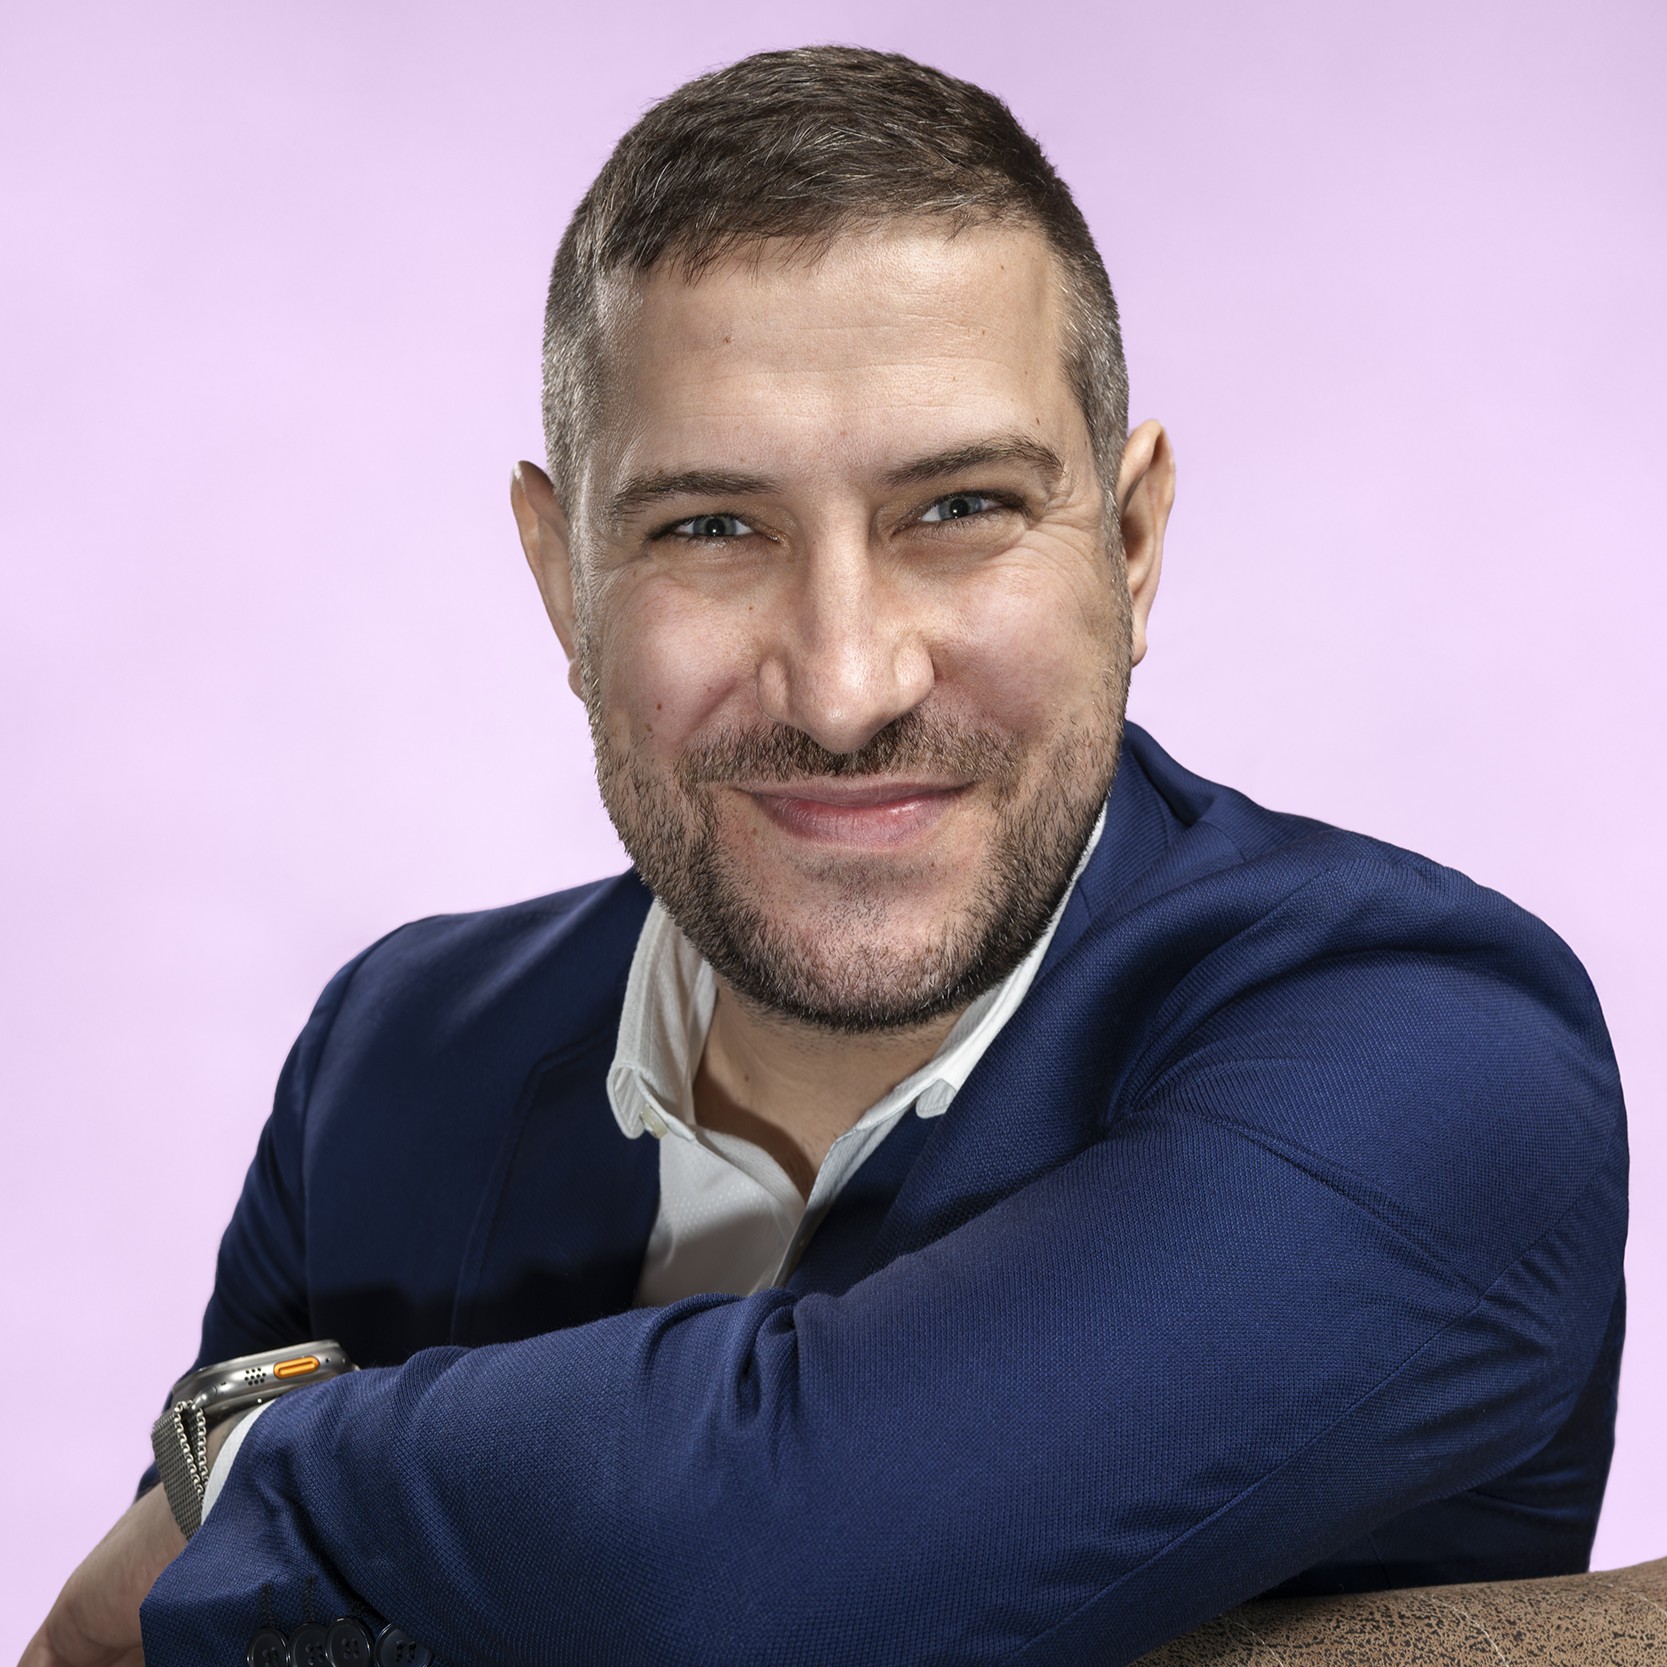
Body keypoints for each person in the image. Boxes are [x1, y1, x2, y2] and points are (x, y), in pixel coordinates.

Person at [25, 44, 1627, 1667]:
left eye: (962, 507)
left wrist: (262, 1466)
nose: (848, 686)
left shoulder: (1436, 1056)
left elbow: (772, 1571)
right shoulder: (392, 1058)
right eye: (710, 528)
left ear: (1132, 544)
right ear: (563, 583)